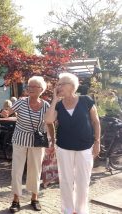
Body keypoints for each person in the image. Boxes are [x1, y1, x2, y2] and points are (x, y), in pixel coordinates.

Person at [45, 73, 100, 214]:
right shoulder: (58, 105)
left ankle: (81, 211)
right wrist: (54, 99)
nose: (58, 86)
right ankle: (68, 211)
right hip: (64, 148)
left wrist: (97, 142)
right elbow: (49, 120)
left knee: (83, 182)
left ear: (72, 86)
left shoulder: (86, 100)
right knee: (66, 181)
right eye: (58, 84)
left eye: (61, 84)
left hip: (85, 147)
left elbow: (96, 122)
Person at [1, 76, 51, 213]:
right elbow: (8, 111)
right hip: (20, 139)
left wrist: (52, 139)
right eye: (29, 86)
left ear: (41, 89)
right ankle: (16, 200)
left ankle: (34, 198)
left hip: (37, 141)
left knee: (36, 169)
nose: (30, 89)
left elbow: (50, 122)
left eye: (34, 87)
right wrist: (5, 112)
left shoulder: (46, 105)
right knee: (17, 169)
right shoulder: (21, 102)